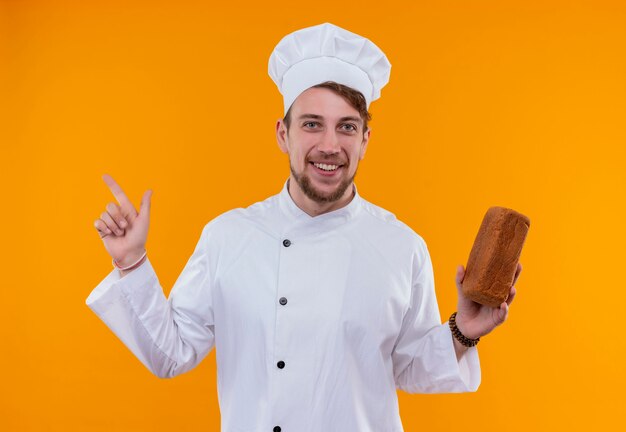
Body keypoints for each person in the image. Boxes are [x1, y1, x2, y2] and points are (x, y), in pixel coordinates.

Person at [87, 23, 522, 432]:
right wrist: (131, 264)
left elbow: (409, 369)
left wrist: (463, 330)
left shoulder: (402, 246)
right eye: (312, 124)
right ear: (283, 134)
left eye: (347, 127)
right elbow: (171, 354)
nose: (330, 146)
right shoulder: (227, 236)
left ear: (365, 140)